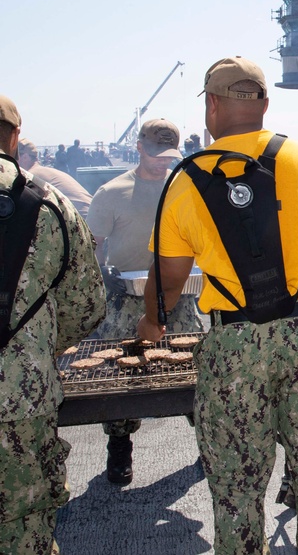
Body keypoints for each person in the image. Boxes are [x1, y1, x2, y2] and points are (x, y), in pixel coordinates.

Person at [137, 56, 298, 554]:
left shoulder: (185, 180)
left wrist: (152, 324)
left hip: (234, 345)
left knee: (236, 486)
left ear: (212, 106)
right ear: (263, 103)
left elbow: (169, 281)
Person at [0, 95, 106, 554]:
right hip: (22, 400)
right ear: (15, 137)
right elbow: (86, 305)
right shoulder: (48, 204)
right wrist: (37, 348)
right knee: (25, 529)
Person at [86, 117, 204, 486]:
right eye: (155, 154)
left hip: (179, 293)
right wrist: (100, 279)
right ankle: (120, 444)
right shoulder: (112, 192)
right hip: (126, 298)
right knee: (123, 369)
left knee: (195, 366)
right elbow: (95, 246)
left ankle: (209, 440)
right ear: (139, 148)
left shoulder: (183, 189)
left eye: (168, 155)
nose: (162, 162)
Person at [17, 138, 93, 215]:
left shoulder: (30, 177)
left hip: (82, 221)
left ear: (25, 157)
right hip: (90, 219)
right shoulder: (46, 171)